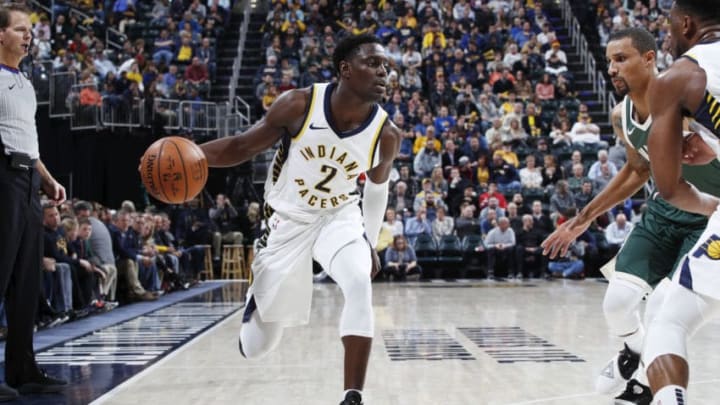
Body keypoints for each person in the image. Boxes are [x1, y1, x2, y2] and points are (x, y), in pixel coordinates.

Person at [197, 34, 400, 405]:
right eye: (374, 63)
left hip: (337, 218)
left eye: (386, 66)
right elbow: (242, 146)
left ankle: (352, 396)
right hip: (287, 221)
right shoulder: (299, 105)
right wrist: (193, 156)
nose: (384, 72)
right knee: (257, 347)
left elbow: (375, 190)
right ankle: (256, 298)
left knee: (358, 282)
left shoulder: (386, 134)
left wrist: (369, 241)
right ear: (345, 70)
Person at [541, 26, 720, 404]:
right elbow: (638, 170)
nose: (612, 68)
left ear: (650, 59)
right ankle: (635, 351)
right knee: (618, 304)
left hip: (706, 214)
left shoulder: (681, 101)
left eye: (621, 59)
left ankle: (643, 384)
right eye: (609, 61)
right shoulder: (621, 115)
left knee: (662, 308)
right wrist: (581, 220)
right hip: (662, 213)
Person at [643, 2, 720, 403]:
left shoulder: (681, 76)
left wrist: (713, 208)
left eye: (671, 26)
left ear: (687, 24)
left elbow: (670, 189)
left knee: (666, 319)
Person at [0, 4, 68, 399]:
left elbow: (29, 142)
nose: (29, 36)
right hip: (3, 176)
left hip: (26, 180)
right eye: (21, 29)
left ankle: (23, 367)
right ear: (1, 35)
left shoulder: (24, 83)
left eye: (30, 31)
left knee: (26, 280)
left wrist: (48, 179)